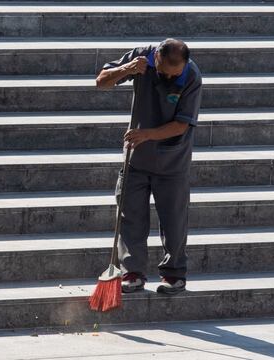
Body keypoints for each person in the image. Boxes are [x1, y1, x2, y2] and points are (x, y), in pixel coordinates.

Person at [95, 38, 203, 294]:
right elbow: (101, 81)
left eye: (174, 74)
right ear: (157, 59)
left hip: (172, 160)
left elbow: (182, 124)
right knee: (130, 216)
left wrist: (147, 134)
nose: (168, 78)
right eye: (165, 72)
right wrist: (127, 69)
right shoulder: (140, 57)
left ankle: (174, 274)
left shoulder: (191, 76)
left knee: (174, 220)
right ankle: (133, 272)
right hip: (137, 158)